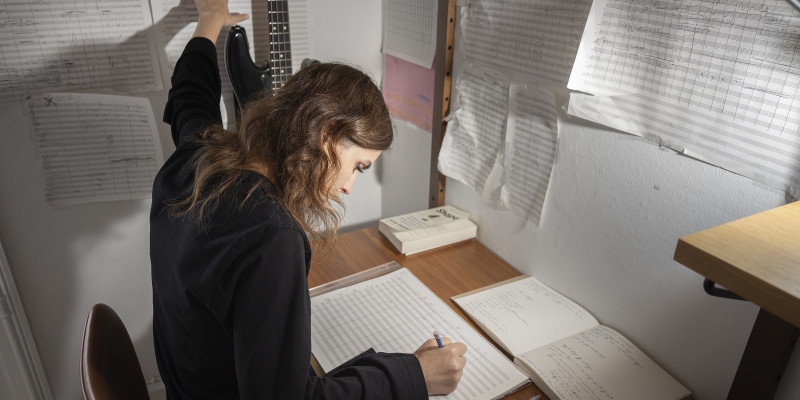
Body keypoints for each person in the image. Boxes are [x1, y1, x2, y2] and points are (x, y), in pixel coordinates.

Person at [149, 0, 468, 398]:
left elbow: (191, 93)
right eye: (358, 166)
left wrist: (210, 19)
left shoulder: (197, 158)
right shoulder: (270, 236)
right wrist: (415, 377)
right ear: (327, 134)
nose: (349, 186)